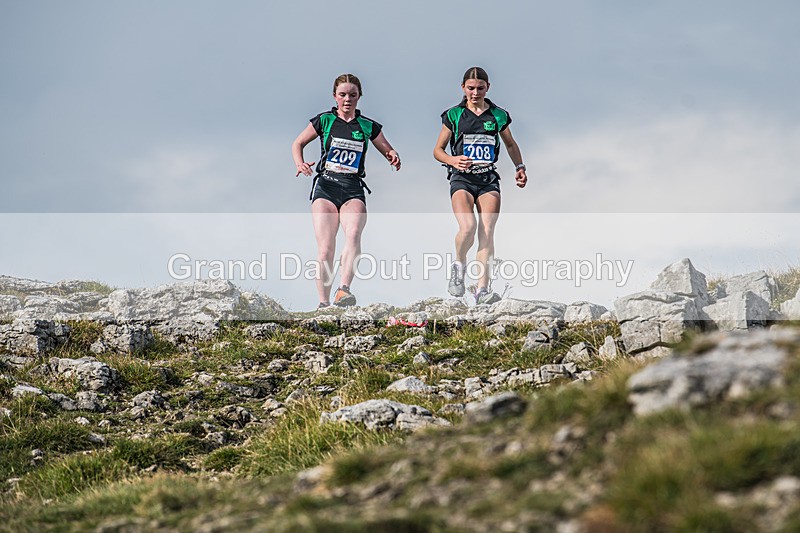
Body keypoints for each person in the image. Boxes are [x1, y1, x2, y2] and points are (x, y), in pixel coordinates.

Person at [292, 73, 401, 309]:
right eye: (343, 95)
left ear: (359, 96)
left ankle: (343, 290)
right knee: (326, 248)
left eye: (352, 95)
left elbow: (387, 149)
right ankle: (323, 303)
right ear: (335, 96)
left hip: (352, 188)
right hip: (326, 187)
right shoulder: (324, 121)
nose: (347, 99)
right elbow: (297, 143)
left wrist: (393, 156)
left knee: (353, 234)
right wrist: (299, 163)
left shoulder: (367, 126)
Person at [434, 66, 527, 305]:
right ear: (463, 88)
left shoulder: (498, 116)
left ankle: (482, 290)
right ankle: (458, 264)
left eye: (480, 88)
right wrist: (453, 160)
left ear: (488, 88)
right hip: (462, 178)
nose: (475, 93)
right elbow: (438, 150)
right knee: (468, 227)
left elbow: (510, 144)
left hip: (488, 180)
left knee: (487, 231)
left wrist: (520, 167)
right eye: (471, 88)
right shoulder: (454, 115)